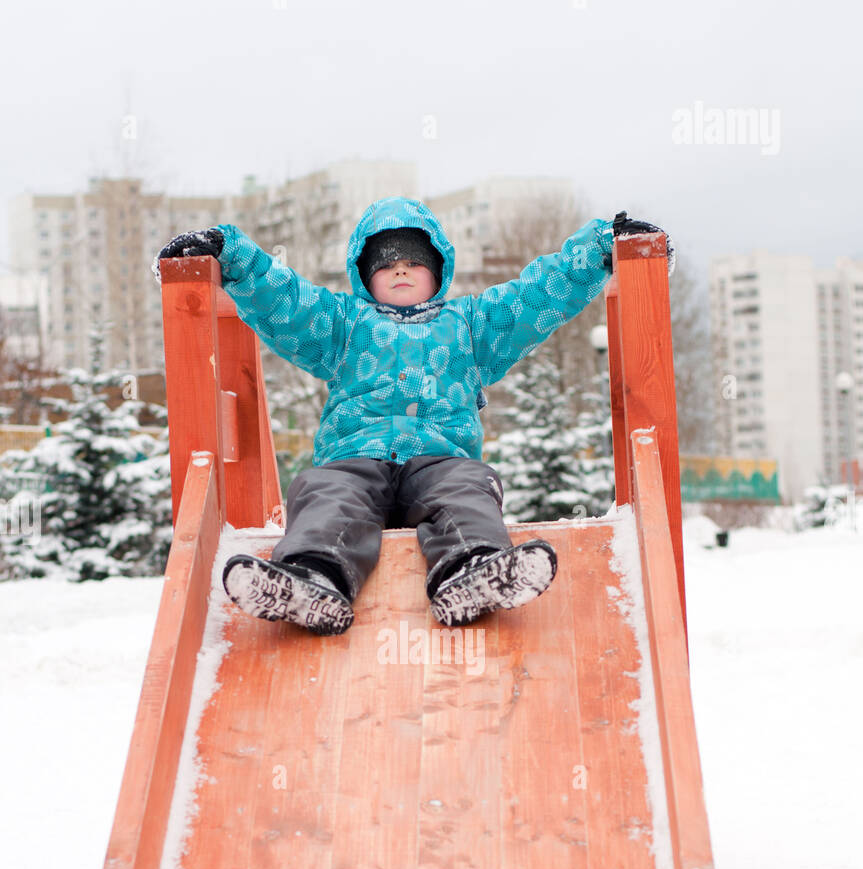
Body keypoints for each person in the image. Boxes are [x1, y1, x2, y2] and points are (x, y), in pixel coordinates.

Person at [153, 201, 673, 634]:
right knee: (326, 493)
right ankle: (311, 578)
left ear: (438, 270)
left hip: (440, 459)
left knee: (468, 487)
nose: (400, 269)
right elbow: (284, 300)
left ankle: (472, 568)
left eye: (413, 261)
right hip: (354, 457)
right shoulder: (341, 325)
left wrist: (601, 247)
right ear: (364, 275)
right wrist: (231, 252)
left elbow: (535, 296)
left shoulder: (470, 326)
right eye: (385, 262)